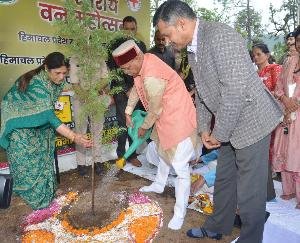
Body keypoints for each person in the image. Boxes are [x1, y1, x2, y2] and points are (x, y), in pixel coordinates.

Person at [153, 1, 283, 242]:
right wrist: (204, 129)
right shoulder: (192, 48)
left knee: (249, 191)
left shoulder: (220, 36)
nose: (168, 41)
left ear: (181, 24)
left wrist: (219, 133)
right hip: (230, 121)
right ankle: (217, 226)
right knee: (224, 178)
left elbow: (234, 90)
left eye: (168, 35)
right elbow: (202, 92)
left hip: (252, 121)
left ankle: (250, 238)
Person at [112, 40, 197, 230]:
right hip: (163, 116)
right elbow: (136, 88)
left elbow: (155, 107)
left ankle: (180, 212)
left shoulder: (151, 74)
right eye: (123, 69)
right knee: (162, 151)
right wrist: (127, 110)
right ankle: (159, 184)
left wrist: (144, 127)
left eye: (127, 67)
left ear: (137, 58)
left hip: (178, 118)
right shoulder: (144, 62)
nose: (126, 72)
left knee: (180, 166)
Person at [0, 52, 92, 210]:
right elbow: (49, 115)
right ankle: (33, 199)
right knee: (29, 166)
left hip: (38, 124)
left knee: (44, 158)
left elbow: (47, 111)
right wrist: (74, 136)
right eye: (58, 73)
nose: (62, 77)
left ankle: (47, 193)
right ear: (46, 68)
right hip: (19, 128)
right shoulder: (37, 84)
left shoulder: (54, 81)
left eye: (65, 73)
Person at [109, 16, 147, 167]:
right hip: (120, 91)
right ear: (122, 28)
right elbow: (113, 70)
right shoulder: (114, 45)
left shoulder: (141, 46)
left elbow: (143, 67)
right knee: (122, 123)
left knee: (135, 121)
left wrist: (135, 87)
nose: (130, 32)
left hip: (137, 89)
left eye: (133, 29)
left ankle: (131, 155)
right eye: (127, 29)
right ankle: (121, 155)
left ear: (136, 28)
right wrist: (124, 89)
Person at [272, 28, 300, 210]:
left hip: (297, 112)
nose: (299, 44)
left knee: (297, 153)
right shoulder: (289, 61)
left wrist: (294, 103)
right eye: (298, 40)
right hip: (287, 112)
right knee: (285, 150)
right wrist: (284, 100)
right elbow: (279, 86)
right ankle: (289, 189)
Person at [69, 57, 110, 176]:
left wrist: (93, 92)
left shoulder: (99, 56)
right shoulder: (75, 58)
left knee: (97, 130)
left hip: (97, 97)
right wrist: (85, 96)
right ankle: (81, 163)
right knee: (80, 131)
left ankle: (97, 161)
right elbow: (74, 83)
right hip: (80, 98)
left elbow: (105, 78)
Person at [252, 43, 282, 202]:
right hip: (257, 116)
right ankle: (263, 187)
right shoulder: (254, 74)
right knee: (261, 151)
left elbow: (280, 91)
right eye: (254, 55)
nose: (256, 58)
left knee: (270, 149)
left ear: (267, 54)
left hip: (273, 114)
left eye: (259, 54)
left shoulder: (275, 69)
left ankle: (268, 188)